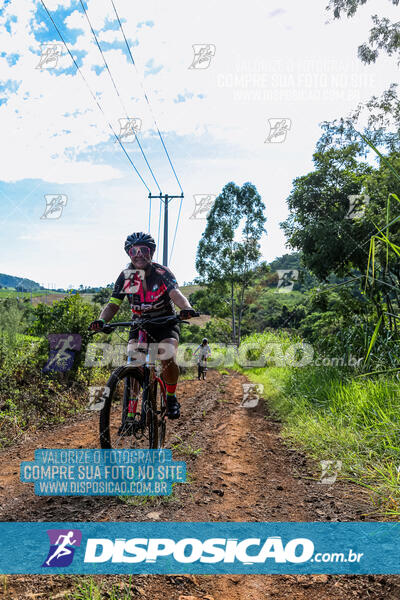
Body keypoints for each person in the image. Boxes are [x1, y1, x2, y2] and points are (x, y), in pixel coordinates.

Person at [88, 232, 197, 419]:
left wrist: (186, 308)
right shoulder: (127, 277)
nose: (139, 254)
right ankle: (130, 412)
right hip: (139, 323)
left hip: (164, 321)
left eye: (143, 250)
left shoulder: (161, 273)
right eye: (134, 251)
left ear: (151, 252)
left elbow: (175, 294)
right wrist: (102, 320)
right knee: (134, 362)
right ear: (129, 254)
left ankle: (171, 397)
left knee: (167, 354)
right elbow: (113, 304)